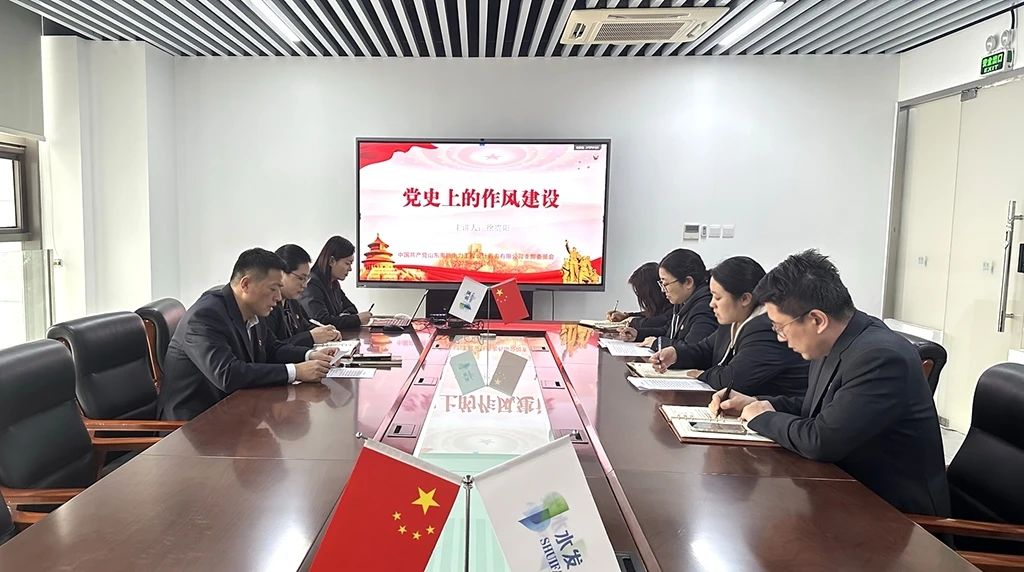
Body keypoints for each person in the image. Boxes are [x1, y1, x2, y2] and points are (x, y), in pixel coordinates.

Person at [710, 250, 950, 516]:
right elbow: (818, 408)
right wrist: (757, 402)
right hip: (847, 494)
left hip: (896, 517)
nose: (779, 337)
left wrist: (761, 417)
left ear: (817, 320)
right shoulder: (838, 340)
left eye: (780, 327)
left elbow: (821, 440)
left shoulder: (880, 357)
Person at [158, 248, 335, 421]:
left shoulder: (251, 310)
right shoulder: (205, 316)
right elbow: (227, 374)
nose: (278, 297)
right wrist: (296, 371)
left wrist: (309, 355)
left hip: (232, 411)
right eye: (273, 289)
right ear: (245, 284)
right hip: (193, 424)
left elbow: (272, 348)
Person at [650, 256, 808, 398]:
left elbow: (732, 379)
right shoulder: (734, 319)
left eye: (717, 297)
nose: (711, 304)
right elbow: (705, 349)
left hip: (777, 410)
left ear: (745, 299)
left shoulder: (766, 328)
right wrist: (676, 354)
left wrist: (703, 374)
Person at [614, 249, 717, 347]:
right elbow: (667, 331)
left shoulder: (704, 308)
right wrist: (637, 334)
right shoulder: (683, 301)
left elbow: (693, 349)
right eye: (661, 284)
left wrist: (658, 344)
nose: (663, 290)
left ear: (688, 282)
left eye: (665, 284)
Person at [266, 244, 341, 347]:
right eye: (301, 278)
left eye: (307, 279)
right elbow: (273, 348)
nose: (305, 285)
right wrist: (310, 337)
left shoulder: (292, 302)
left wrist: (325, 332)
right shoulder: (267, 307)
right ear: (281, 274)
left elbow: (306, 326)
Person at [300, 236, 371, 330]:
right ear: (332, 261)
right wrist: (356, 319)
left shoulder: (334, 283)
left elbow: (352, 309)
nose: (350, 269)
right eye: (347, 263)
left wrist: (341, 318)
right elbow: (322, 322)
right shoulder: (311, 284)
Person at [606, 262, 673, 333]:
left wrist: (632, 321)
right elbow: (650, 314)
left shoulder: (673, 303)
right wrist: (626, 315)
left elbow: (660, 321)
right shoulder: (662, 305)